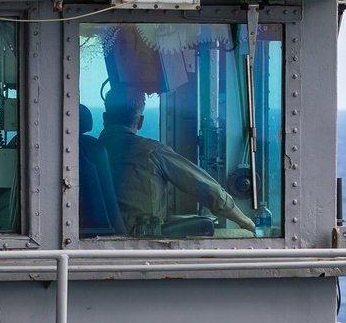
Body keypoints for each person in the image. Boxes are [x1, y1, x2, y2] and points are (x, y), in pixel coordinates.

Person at [98, 87, 256, 235]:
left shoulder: (88, 154)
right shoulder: (152, 152)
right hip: (143, 242)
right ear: (140, 122)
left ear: (104, 118)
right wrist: (247, 223)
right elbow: (210, 191)